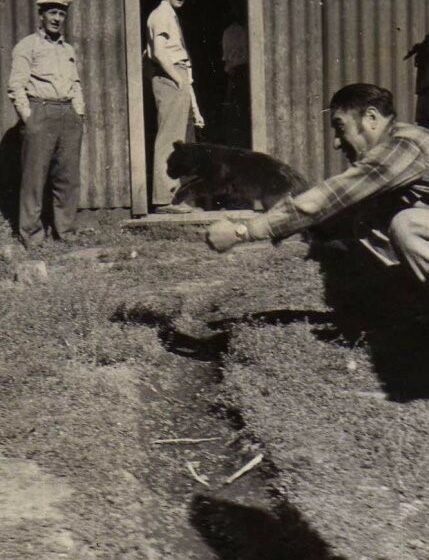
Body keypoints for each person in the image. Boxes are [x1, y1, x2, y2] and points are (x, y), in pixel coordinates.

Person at [207, 83, 429, 285]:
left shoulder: (405, 144)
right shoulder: (396, 148)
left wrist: (242, 232)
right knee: (367, 219)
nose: (336, 142)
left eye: (341, 127)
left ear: (371, 118)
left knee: (406, 224)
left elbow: (328, 198)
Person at [7, 0, 85, 248]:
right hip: (40, 110)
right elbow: (16, 86)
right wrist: (28, 116)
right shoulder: (27, 46)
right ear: (41, 15)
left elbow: (76, 84)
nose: (57, 18)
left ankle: (67, 233)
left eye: (62, 14)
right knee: (34, 177)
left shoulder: (67, 50)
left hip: (67, 114)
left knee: (67, 177)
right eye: (52, 12)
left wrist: (79, 112)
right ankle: (31, 235)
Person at [146, 0, 204, 214]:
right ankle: (164, 199)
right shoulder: (161, 14)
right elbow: (160, 53)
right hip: (170, 75)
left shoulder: (170, 14)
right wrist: (177, 79)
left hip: (177, 74)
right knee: (170, 138)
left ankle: (178, 198)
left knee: (180, 139)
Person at [221, 0, 250, 148]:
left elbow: (226, 58)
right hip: (242, 72)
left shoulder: (229, 32)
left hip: (235, 73)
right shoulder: (245, 31)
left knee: (234, 112)